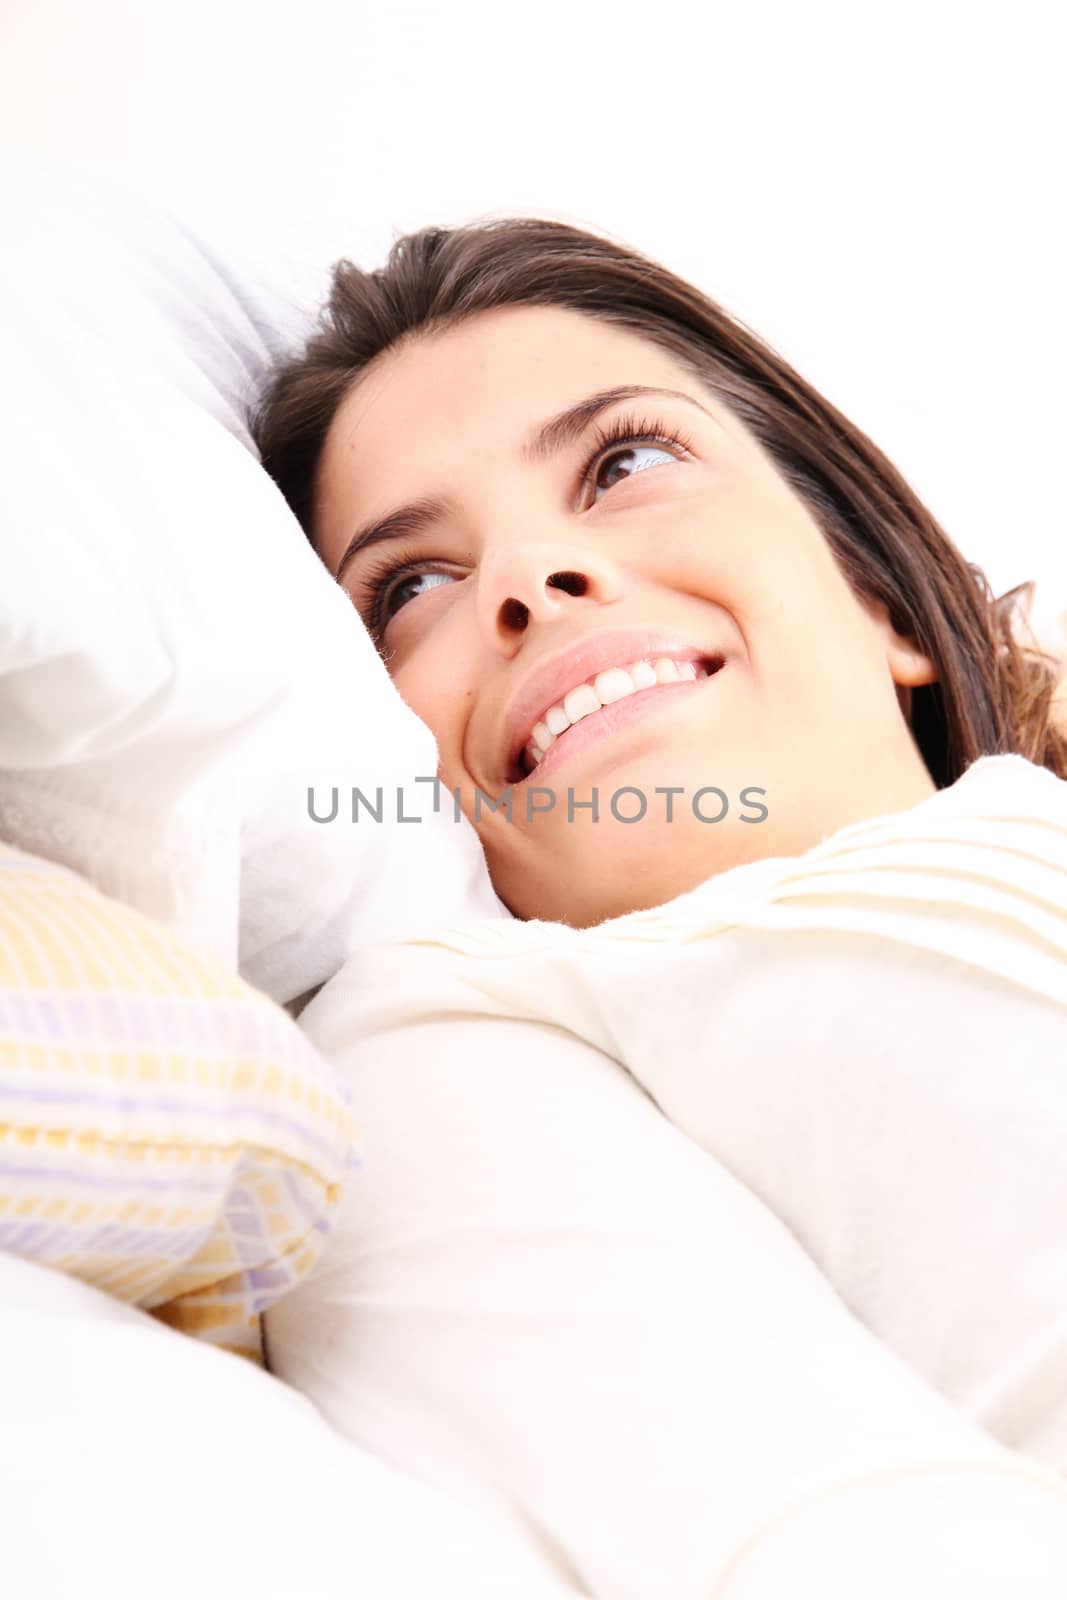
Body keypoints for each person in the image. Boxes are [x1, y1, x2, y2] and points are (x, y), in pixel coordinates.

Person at [251, 219, 1067, 1591]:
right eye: (411, 586)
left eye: (623, 463)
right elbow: (821, 1545)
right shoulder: (439, 1041)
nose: (527, 576)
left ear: (882, 599)